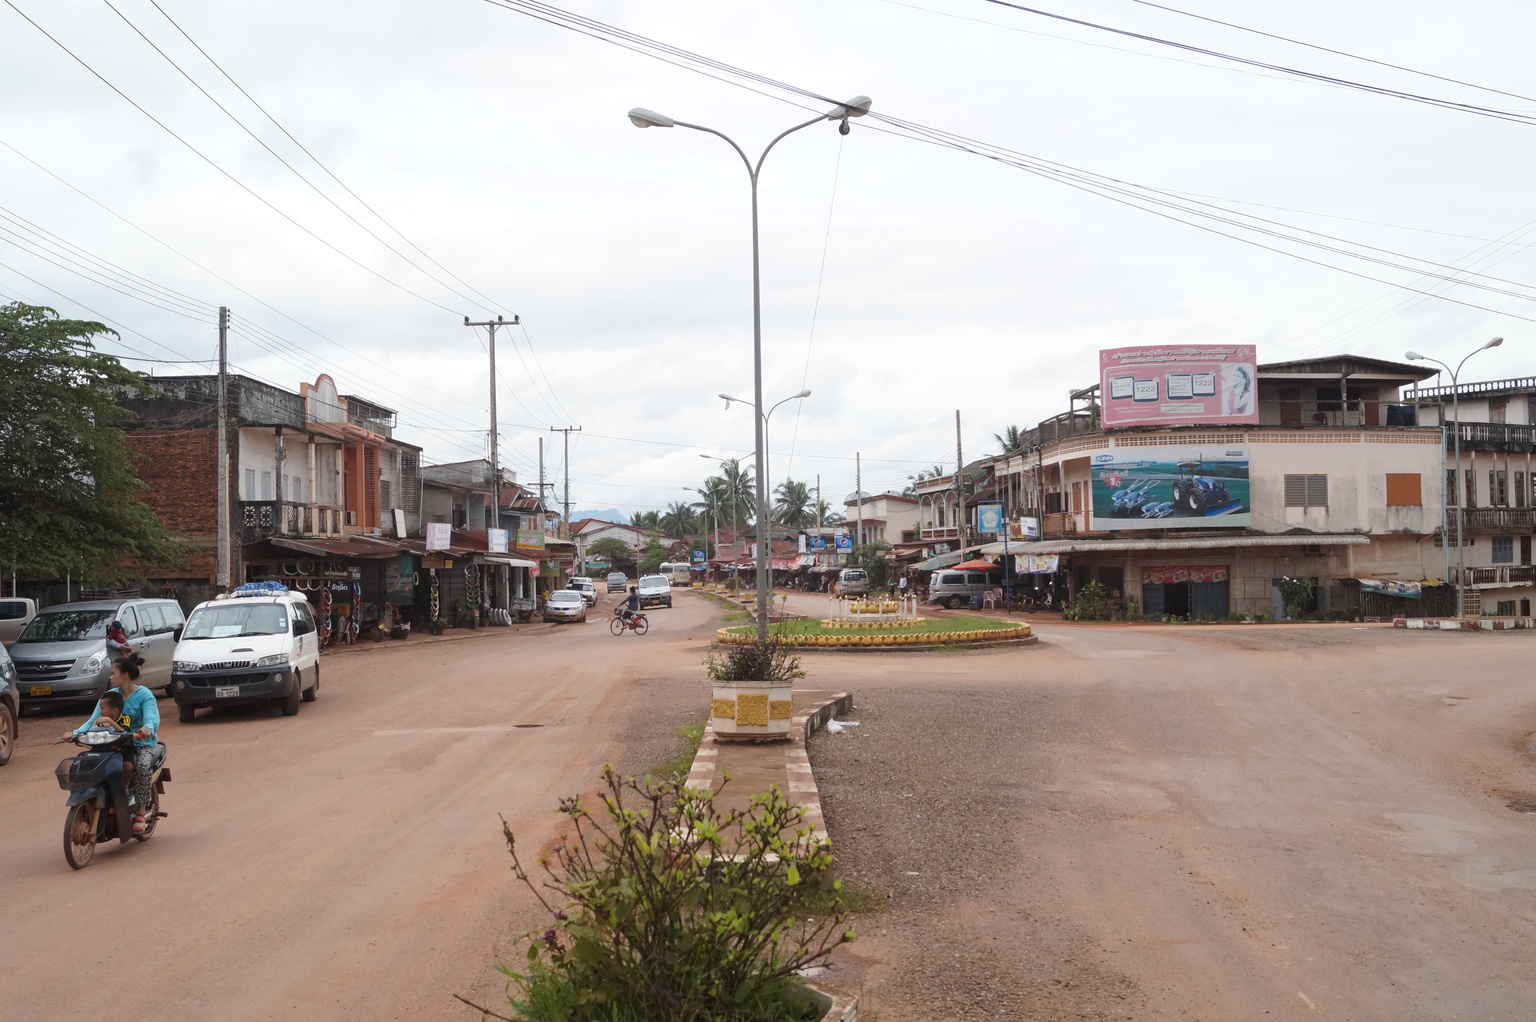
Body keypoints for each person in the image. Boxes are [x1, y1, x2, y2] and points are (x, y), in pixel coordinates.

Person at [63, 654, 159, 835]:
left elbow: (152, 719)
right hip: (110, 744)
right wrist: (75, 733)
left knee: (142, 766)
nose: (110, 677)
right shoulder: (110, 696)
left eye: (113, 673)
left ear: (125, 675)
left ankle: (140, 811)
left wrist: (148, 728)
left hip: (140, 743)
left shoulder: (144, 695)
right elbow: (92, 720)